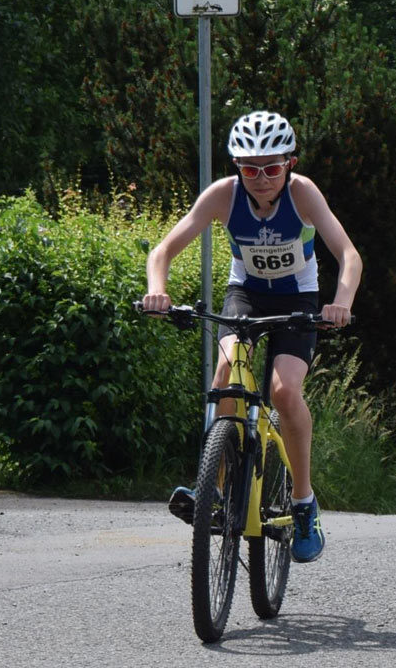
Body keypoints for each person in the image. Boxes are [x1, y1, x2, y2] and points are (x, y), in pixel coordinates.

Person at [143, 110, 362, 563]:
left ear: (290, 164)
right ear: (236, 168)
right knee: (226, 369)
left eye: (272, 167)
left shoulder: (303, 195)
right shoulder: (224, 196)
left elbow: (348, 254)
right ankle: (215, 491)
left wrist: (340, 301)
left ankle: (303, 503)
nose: (261, 178)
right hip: (245, 293)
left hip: (297, 298)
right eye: (249, 168)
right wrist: (157, 290)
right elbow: (163, 250)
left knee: (284, 391)